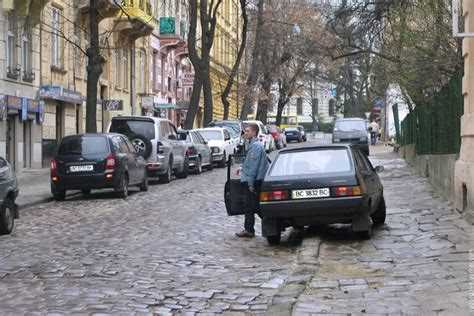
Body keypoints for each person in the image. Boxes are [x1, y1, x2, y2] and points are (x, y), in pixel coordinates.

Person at [236, 123, 270, 238]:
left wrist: (250, 184)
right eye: (245, 131)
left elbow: (254, 166)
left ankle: (271, 225)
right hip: (254, 179)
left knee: (252, 206)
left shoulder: (256, 146)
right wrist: (242, 168)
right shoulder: (252, 145)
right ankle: (249, 229)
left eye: (247, 131)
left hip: (254, 181)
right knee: (252, 206)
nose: (245, 133)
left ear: (254, 133)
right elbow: (250, 163)